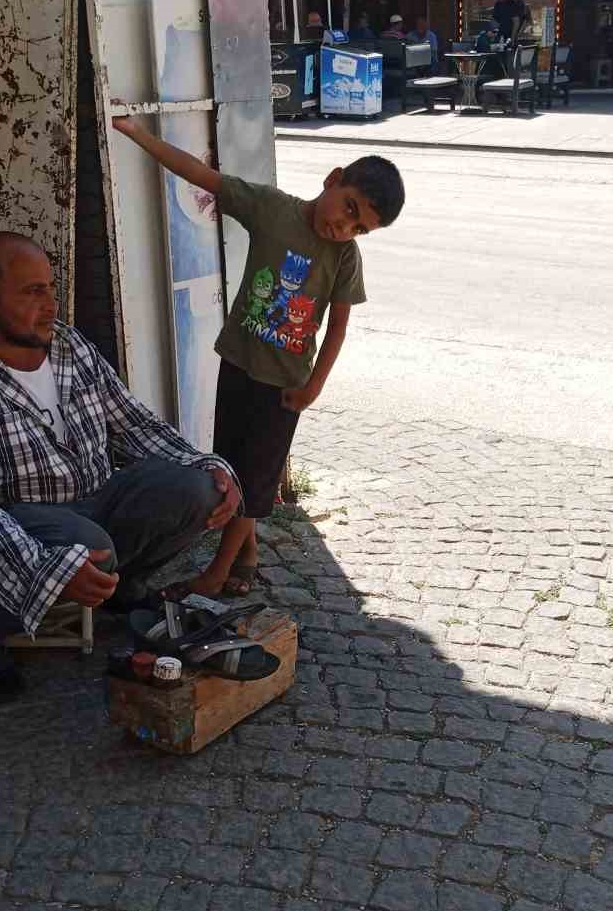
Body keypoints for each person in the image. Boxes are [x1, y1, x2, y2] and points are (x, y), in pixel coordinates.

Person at [0, 233, 243, 701]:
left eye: (50, 287)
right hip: (11, 522)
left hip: (92, 500)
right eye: (32, 292)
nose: (51, 305)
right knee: (86, 545)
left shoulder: (65, 344)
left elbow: (135, 423)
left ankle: (122, 588)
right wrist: (49, 568)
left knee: (197, 488)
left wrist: (209, 465)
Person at [112, 116, 403, 601]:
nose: (343, 226)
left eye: (360, 227)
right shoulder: (270, 208)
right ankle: (247, 556)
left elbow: (338, 325)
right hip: (238, 364)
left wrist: (315, 386)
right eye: (349, 208)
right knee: (230, 468)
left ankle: (216, 571)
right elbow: (203, 176)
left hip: (285, 386)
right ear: (333, 179)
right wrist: (142, 136)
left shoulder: (345, 258)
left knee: (255, 482)